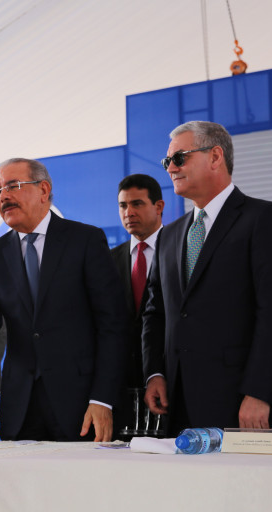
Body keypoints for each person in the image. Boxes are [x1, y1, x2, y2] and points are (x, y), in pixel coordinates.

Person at [142, 121, 272, 435]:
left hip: (241, 404)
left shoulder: (265, 219)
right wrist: (154, 373)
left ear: (215, 157)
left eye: (179, 158)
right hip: (176, 404)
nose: (171, 168)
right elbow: (154, 313)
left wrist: (259, 391)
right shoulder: (168, 236)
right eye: (167, 161)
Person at [0, 158, 128, 442]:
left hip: (81, 404)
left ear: (43, 190)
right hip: (20, 407)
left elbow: (112, 325)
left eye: (13, 186)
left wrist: (102, 398)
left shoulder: (85, 240)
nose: (3, 196)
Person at [110, 174, 164, 436]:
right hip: (121, 388)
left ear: (159, 206)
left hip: (170, 380)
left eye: (137, 204)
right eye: (123, 205)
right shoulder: (108, 260)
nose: (128, 212)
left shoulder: (180, 250)